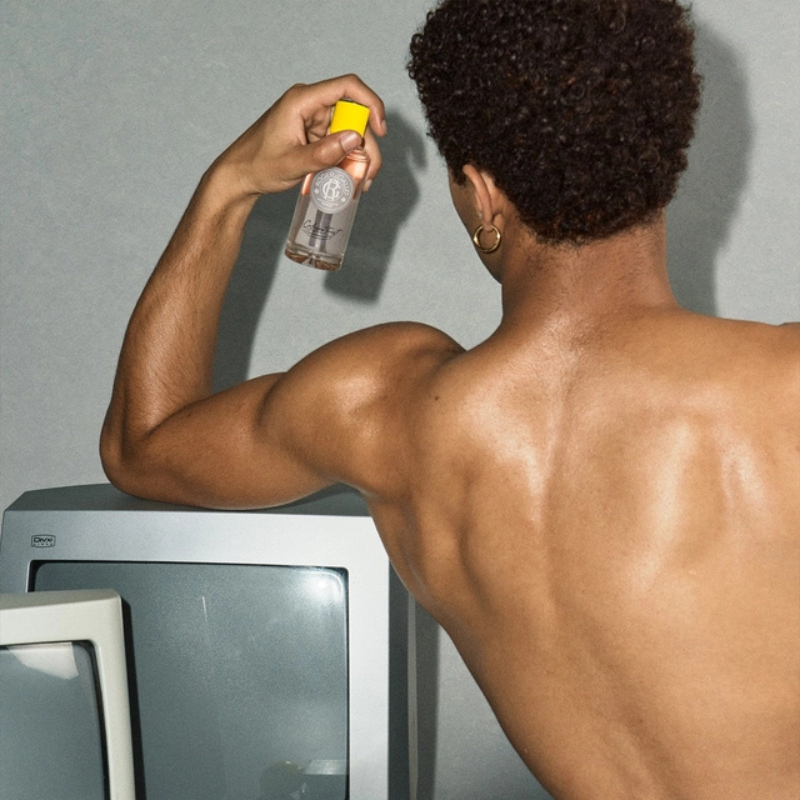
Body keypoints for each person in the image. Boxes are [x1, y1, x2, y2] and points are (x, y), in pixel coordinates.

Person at [101, 0, 800, 797]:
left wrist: (230, 185)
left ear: (483, 191)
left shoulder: (383, 415)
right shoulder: (782, 391)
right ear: (668, 155)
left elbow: (142, 443)